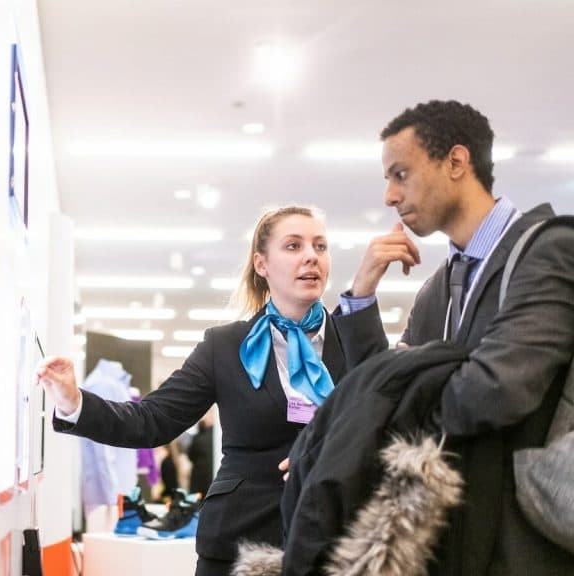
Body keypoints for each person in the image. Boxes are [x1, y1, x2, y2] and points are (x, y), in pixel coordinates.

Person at [37, 206, 377, 575]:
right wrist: (74, 402)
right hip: (239, 543)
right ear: (261, 264)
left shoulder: (354, 338)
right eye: (293, 246)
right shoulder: (225, 346)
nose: (312, 256)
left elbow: (383, 430)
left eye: (320, 246)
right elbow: (153, 420)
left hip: (333, 541)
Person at [336, 99, 574, 573]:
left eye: (400, 173)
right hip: (459, 541)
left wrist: (377, 419)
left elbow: (494, 391)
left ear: (456, 162)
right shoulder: (437, 291)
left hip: (526, 546)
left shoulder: (547, 250)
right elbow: (379, 389)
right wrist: (360, 296)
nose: (389, 195)